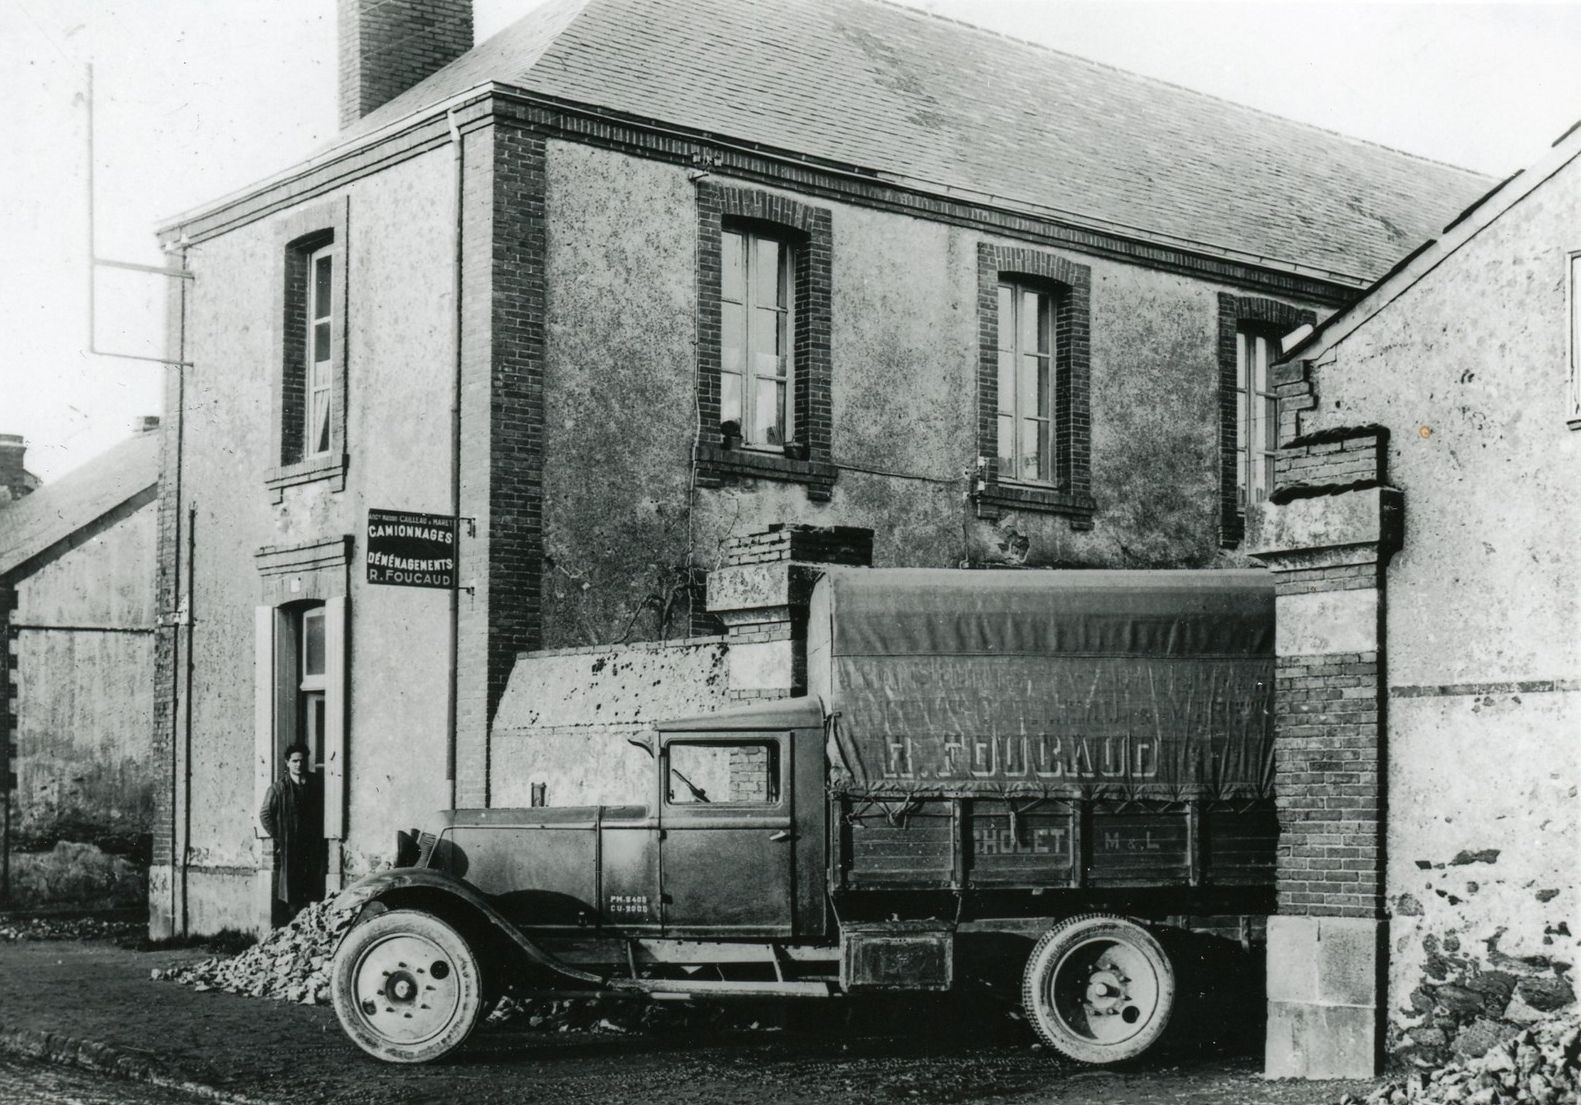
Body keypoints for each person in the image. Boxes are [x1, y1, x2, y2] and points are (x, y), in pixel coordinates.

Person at [259, 742, 323, 921]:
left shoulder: (315, 784)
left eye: (302, 761)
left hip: (311, 845)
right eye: (294, 761)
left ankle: (310, 925)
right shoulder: (278, 788)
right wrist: (279, 836)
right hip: (291, 845)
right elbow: (265, 814)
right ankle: (293, 923)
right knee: (293, 886)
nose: (299, 764)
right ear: (287, 763)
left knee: (312, 886)